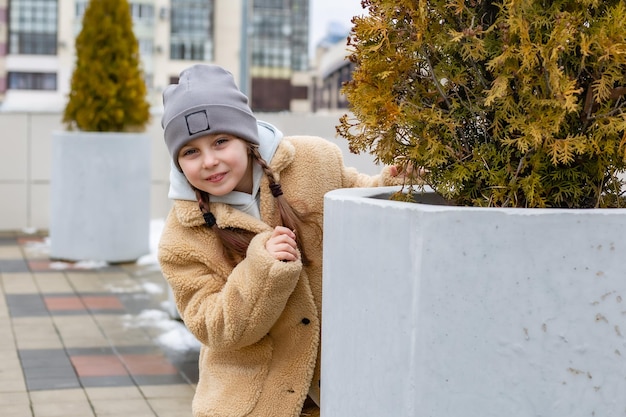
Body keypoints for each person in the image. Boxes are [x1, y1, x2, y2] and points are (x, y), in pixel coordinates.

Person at [158, 64, 408, 417]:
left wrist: (395, 184)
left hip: (343, 384)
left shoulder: (313, 161)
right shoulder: (181, 237)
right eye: (190, 152)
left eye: (220, 141)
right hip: (252, 402)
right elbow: (213, 327)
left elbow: (357, 199)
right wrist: (261, 269)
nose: (210, 161)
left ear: (246, 137)